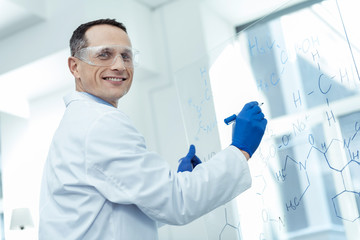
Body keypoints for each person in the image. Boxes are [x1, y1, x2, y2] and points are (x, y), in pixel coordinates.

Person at [39, 18, 267, 240]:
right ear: (75, 67)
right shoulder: (99, 122)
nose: (119, 66)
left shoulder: (80, 121)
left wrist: (178, 181)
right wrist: (240, 149)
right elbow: (177, 203)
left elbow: (119, 215)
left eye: (126, 56)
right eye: (104, 54)